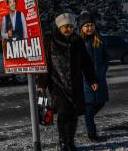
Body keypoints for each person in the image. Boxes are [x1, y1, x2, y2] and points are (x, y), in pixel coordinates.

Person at [37, 13, 98, 151]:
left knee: (74, 115)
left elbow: (86, 62)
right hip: (57, 84)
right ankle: (63, 143)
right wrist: (41, 84)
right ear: (59, 27)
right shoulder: (50, 40)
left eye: (71, 26)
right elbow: (45, 65)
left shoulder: (77, 41)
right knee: (64, 114)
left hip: (75, 84)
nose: (69, 29)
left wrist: (92, 79)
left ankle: (70, 141)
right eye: (66, 27)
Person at [78, 11, 109, 142]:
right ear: (81, 28)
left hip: (100, 79)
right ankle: (92, 133)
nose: (89, 28)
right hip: (85, 81)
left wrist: (101, 73)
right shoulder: (78, 42)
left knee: (101, 103)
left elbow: (106, 59)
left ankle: (86, 118)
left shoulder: (100, 40)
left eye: (91, 25)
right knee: (89, 108)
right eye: (86, 25)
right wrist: (87, 78)